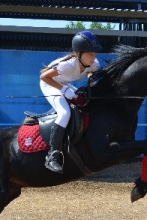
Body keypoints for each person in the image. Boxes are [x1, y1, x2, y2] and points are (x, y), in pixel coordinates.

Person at [40, 31, 101, 174]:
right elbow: (44, 77)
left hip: (64, 84)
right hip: (50, 84)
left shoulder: (94, 64)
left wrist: (91, 79)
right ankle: (52, 154)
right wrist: (63, 89)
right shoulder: (67, 65)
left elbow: (92, 72)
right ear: (79, 53)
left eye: (95, 54)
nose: (94, 57)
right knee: (64, 113)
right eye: (90, 54)